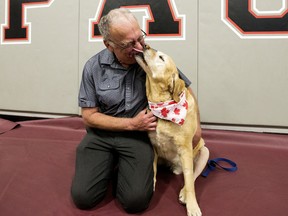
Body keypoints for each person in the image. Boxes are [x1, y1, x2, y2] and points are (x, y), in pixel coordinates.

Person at [71, 8, 202, 214]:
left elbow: (183, 87)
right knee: (83, 198)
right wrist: (131, 123)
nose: (139, 46)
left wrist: (196, 128)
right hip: (102, 134)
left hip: (138, 136)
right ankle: (109, 163)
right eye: (129, 44)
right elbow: (88, 117)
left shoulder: (151, 59)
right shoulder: (93, 67)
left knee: (136, 202)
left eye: (139, 37)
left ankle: (121, 166)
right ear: (109, 45)